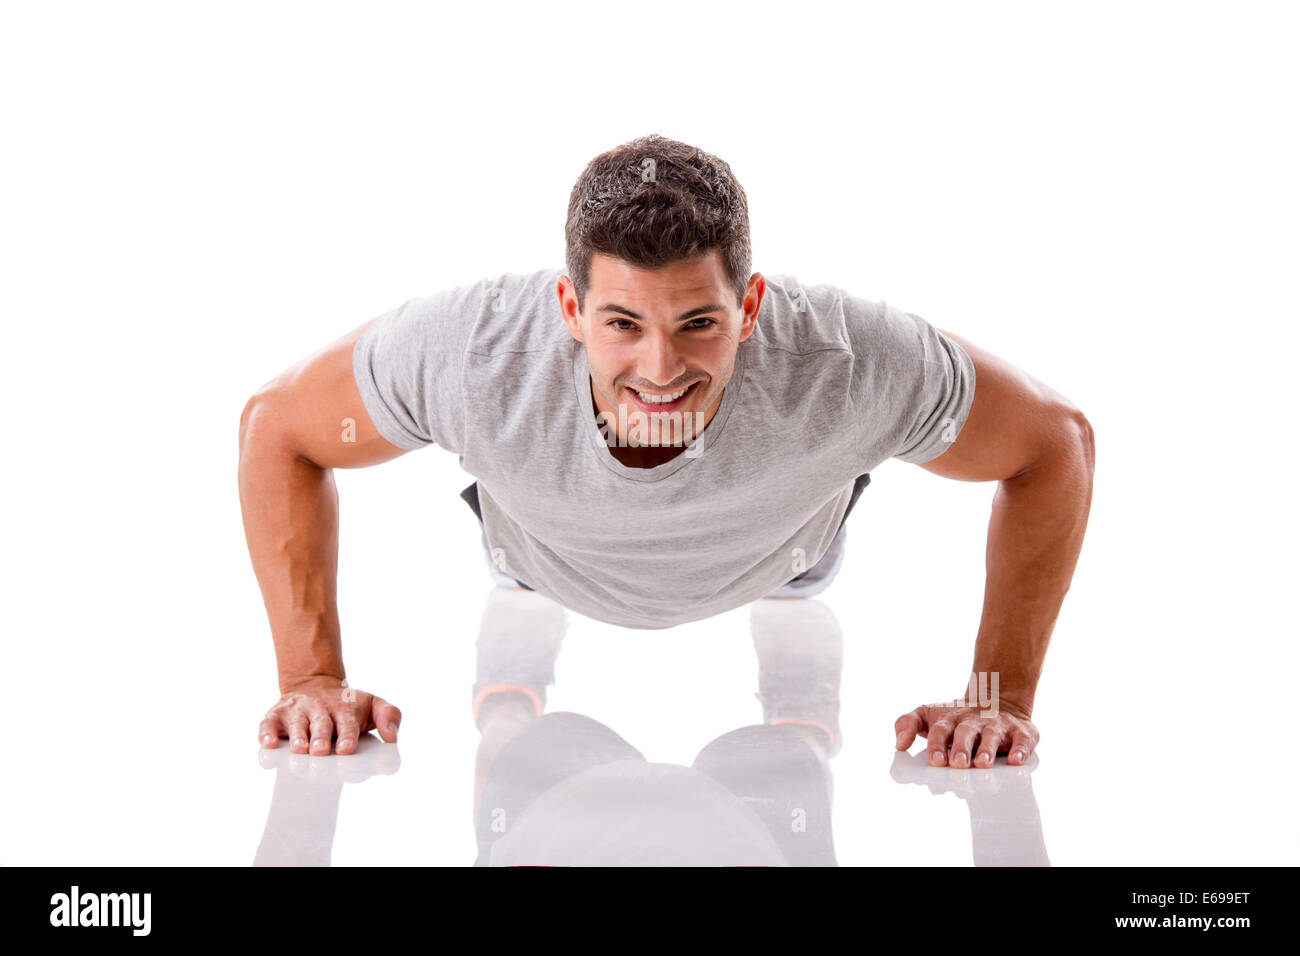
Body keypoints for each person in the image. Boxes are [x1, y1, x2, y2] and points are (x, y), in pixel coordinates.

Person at [238, 134, 1095, 771]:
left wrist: (1000, 699)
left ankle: (799, 712)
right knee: (522, 756)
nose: (660, 370)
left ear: (750, 304)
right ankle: (507, 693)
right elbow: (279, 429)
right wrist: (312, 677)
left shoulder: (849, 362)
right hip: (547, 551)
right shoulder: (471, 355)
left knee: (782, 760)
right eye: (621, 324)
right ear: (569, 308)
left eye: (699, 322)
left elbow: (1053, 447)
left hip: (777, 555)